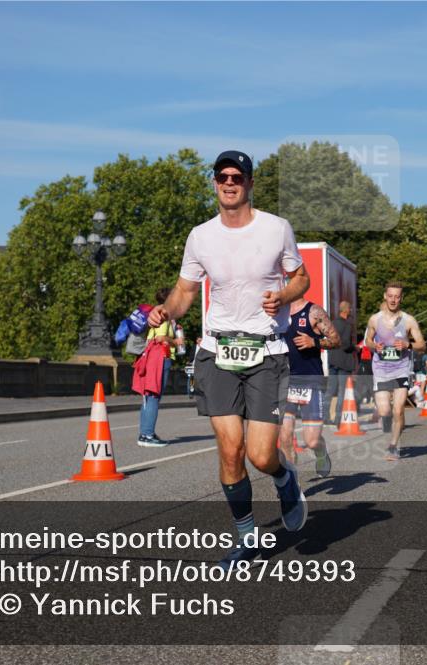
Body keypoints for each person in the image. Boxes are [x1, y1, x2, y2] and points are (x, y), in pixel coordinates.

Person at [147, 150, 310, 570]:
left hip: (266, 352)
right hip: (218, 351)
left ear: (250, 182)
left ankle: (284, 477)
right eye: (222, 176)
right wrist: (167, 309)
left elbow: (301, 277)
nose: (230, 182)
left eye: (238, 176)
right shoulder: (201, 236)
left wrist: (285, 296)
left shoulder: (276, 229)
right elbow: (185, 290)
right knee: (231, 450)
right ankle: (247, 540)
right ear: (216, 182)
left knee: (260, 455)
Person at [365, 281, 426, 461]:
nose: (393, 300)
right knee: (385, 412)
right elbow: (367, 341)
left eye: (397, 297)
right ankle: (397, 429)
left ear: (401, 298)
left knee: (398, 410)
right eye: (390, 296)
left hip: (400, 369)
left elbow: (422, 345)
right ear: (385, 296)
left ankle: (393, 445)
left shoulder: (409, 320)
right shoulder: (375, 319)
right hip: (381, 369)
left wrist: (408, 344)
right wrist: (374, 346)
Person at [279, 295, 340, 476]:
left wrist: (313, 342)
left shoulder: (314, 312)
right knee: (285, 437)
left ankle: (321, 452)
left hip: (310, 380)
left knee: (312, 441)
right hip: (284, 382)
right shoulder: (277, 312)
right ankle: (292, 486)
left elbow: (336, 340)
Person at [137, 287, 179, 446]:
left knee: (148, 397)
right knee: (154, 395)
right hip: (160, 357)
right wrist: (176, 341)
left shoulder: (155, 313)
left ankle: (146, 432)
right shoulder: (164, 315)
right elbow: (161, 337)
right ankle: (147, 435)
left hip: (152, 357)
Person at [326, 301, 356, 426]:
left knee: (329, 390)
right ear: (346, 310)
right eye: (350, 308)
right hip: (343, 362)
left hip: (332, 360)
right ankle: (338, 419)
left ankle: (324, 417)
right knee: (341, 391)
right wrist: (355, 348)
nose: (351, 310)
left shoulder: (332, 324)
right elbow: (346, 345)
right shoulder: (348, 325)